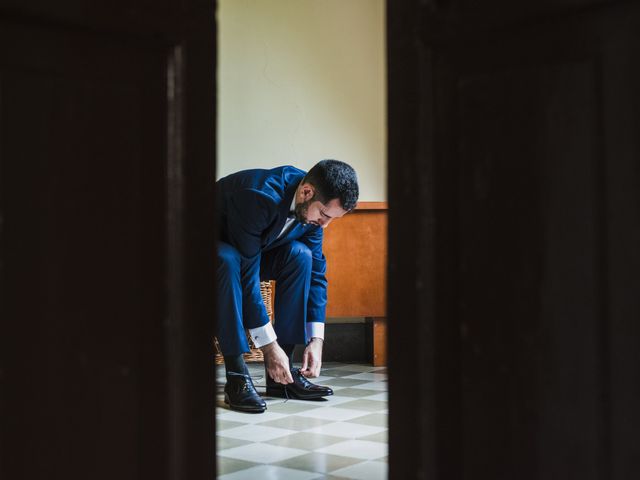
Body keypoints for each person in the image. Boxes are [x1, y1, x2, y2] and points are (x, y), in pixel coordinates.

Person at [216, 160, 359, 413]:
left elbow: (316, 273)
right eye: (324, 215)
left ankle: (281, 377)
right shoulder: (259, 197)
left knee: (301, 256)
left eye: (332, 219)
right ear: (306, 192)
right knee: (228, 260)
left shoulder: (313, 211)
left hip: (251, 250)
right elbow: (247, 277)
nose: (325, 225)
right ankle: (237, 376)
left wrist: (316, 339)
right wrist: (269, 347)